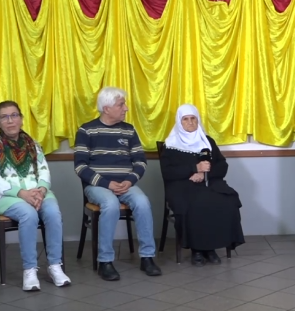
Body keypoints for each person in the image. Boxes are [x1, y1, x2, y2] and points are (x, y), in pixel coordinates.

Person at [0, 101, 72, 291]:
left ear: (21, 119)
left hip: (37, 193)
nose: (10, 121)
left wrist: (41, 191)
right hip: (6, 197)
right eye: (4, 117)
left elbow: (44, 171)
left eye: (14, 115)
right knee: (28, 214)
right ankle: (30, 270)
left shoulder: (33, 144)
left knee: (53, 213)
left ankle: (55, 266)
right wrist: (21, 193)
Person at [74, 86, 161, 280]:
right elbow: (80, 167)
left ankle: (147, 257)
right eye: (121, 105)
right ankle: (105, 261)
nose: (126, 108)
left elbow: (140, 162)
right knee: (110, 203)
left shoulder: (129, 130)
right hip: (98, 186)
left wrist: (130, 181)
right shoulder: (86, 130)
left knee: (143, 202)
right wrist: (107, 184)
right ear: (107, 108)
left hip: (126, 184)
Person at [159, 104, 245, 266]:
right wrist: (193, 169)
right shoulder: (170, 145)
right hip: (181, 186)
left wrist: (205, 173)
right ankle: (197, 249)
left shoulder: (207, 141)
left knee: (227, 201)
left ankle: (211, 248)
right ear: (179, 122)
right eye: (185, 119)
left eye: (193, 118)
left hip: (209, 183)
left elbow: (222, 165)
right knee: (197, 203)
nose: (190, 122)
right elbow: (167, 172)